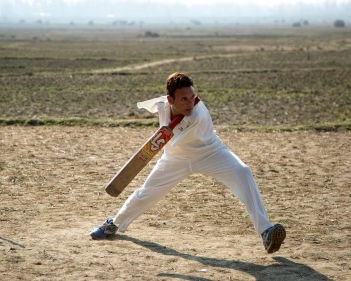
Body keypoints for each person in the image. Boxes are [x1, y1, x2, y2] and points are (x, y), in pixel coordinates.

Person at [90, 72, 286, 254]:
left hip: (211, 153)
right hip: (175, 159)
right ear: (170, 100)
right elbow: (154, 108)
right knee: (146, 193)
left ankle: (266, 231)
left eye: (192, 97)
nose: (190, 102)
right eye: (184, 98)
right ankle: (114, 223)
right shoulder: (162, 104)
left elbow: (169, 137)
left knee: (243, 172)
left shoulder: (196, 115)